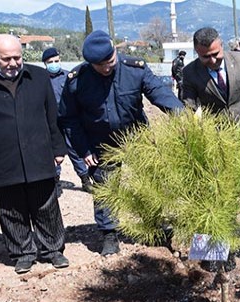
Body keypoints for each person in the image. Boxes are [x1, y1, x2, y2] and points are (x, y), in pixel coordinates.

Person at [58, 30, 183, 256]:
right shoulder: (77, 80)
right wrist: (83, 149)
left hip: (137, 137)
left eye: (110, 61)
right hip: (100, 143)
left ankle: (154, 226)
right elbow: (68, 118)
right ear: (90, 62)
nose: (107, 68)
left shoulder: (135, 69)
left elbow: (159, 93)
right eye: (100, 65)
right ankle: (109, 235)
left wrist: (183, 116)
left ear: (115, 50)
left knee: (150, 183)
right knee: (106, 188)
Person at [0, 34, 69, 274]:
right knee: (11, 207)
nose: (13, 63)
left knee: (46, 204)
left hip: (38, 152)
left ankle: (53, 250)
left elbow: (53, 116)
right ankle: (22, 252)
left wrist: (58, 148)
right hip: (2, 158)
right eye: (6, 59)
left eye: (17, 58)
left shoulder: (38, 77)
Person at [182, 27, 240, 237]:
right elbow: (189, 109)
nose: (212, 60)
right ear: (196, 52)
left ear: (221, 45)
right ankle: (226, 232)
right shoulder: (190, 72)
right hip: (217, 140)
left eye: (215, 54)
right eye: (205, 57)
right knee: (222, 188)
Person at [42, 47, 92, 194]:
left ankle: (85, 179)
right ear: (45, 63)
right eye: (50, 62)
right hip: (51, 121)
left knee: (75, 150)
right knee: (53, 152)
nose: (54, 64)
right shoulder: (42, 79)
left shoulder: (68, 76)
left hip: (69, 119)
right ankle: (55, 181)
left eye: (56, 61)